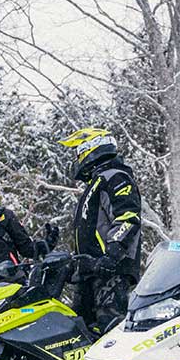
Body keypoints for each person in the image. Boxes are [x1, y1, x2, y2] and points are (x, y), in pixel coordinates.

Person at [58, 128, 141, 335]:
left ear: (90, 148)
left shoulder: (115, 177)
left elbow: (128, 216)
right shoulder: (96, 183)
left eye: (78, 152)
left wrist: (113, 252)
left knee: (110, 331)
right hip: (89, 271)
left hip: (111, 269)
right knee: (78, 334)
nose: (77, 159)